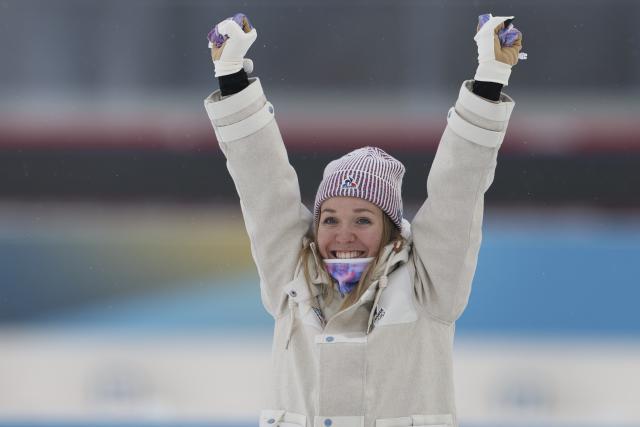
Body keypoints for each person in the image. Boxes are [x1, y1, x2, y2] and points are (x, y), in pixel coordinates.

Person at [204, 12, 522, 427]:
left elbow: (459, 188)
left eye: (364, 220)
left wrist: (490, 77)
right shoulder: (291, 277)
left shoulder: (427, 286)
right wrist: (231, 77)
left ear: (391, 230)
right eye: (330, 219)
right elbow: (261, 183)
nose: (344, 235)